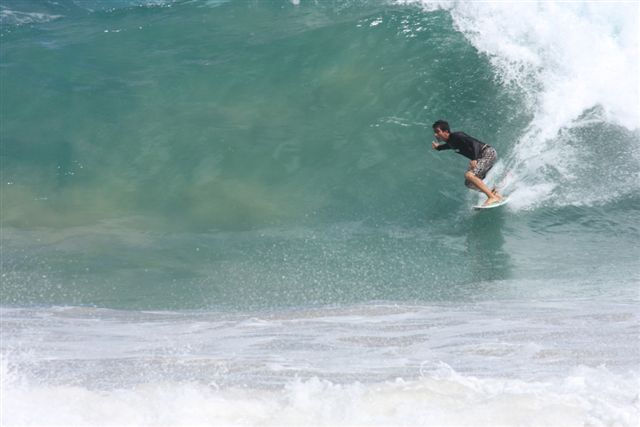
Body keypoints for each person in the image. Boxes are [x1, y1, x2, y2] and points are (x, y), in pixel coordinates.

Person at [431, 120, 502, 206]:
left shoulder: (457, 136)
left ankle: (492, 197)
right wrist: (438, 148)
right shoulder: (450, 142)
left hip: (487, 153)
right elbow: (445, 147)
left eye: (437, 132)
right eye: (435, 132)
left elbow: (474, 144)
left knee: (469, 175)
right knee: (469, 183)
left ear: (446, 131)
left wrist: (475, 159)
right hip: (481, 157)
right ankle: (494, 193)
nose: (435, 134)